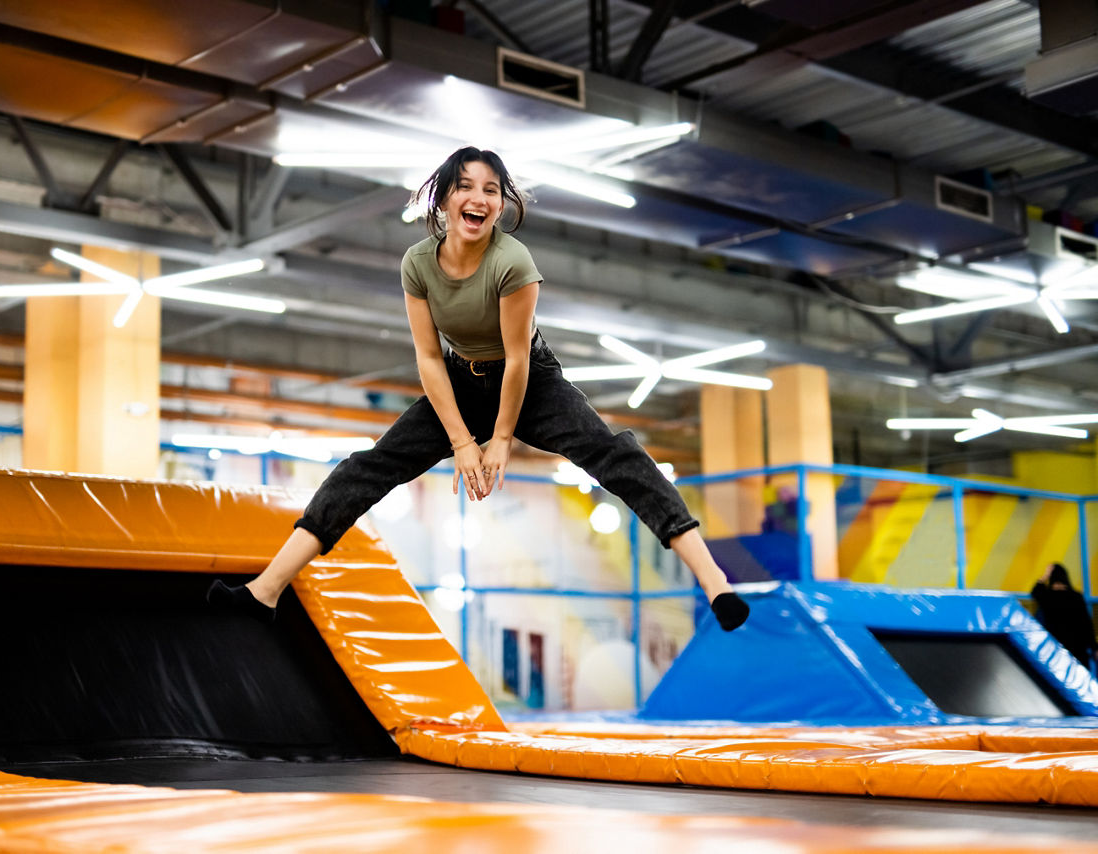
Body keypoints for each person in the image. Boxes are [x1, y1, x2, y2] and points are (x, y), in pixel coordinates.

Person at [208, 146, 749, 633]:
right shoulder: (418, 264)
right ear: (444, 199)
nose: (479, 198)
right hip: (457, 378)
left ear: (500, 205)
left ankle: (714, 580)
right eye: (466, 186)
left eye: (491, 189)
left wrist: (499, 442)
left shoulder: (513, 263)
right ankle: (266, 590)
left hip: (530, 382)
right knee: (367, 467)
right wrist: (463, 441)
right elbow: (426, 356)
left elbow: (516, 361)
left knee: (614, 453)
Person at [1031, 563, 1096, 668]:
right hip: (1078, 651)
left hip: (1056, 650)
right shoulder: (1077, 597)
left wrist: (1045, 576)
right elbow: (1087, 625)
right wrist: (1094, 648)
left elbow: (1035, 591)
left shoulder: (1048, 597)